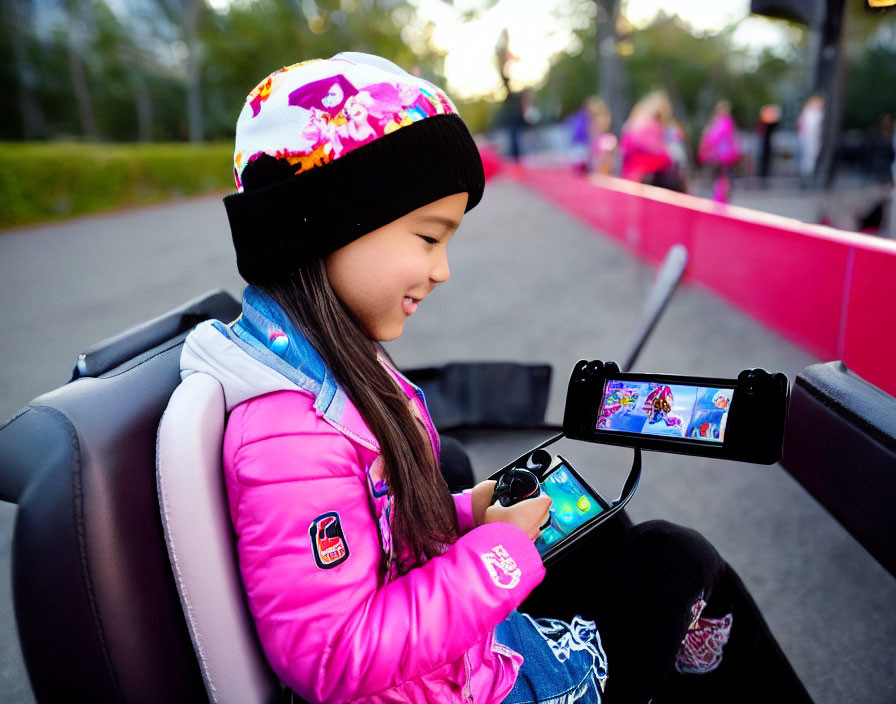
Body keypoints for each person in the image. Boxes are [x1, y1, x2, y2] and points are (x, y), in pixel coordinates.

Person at [178, 53, 812, 704]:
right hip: (476, 685)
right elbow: (338, 657)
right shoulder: (290, 433)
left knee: (617, 541)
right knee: (677, 562)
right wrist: (498, 551)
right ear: (329, 226)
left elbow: (382, 545)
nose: (442, 269)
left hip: (462, 665)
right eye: (428, 238)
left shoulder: (332, 379)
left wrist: (467, 515)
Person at [698, 101, 743, 202]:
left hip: (723, 156)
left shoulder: (723, 122)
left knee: (723, 177)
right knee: (720, 177)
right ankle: (719, 196)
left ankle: (720, 196)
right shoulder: (718, 122)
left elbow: (728, 138)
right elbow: (711, 138)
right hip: (718, 156)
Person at [797, 94, 824, 186]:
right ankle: (807, 178)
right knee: (808, 159)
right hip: (809, 139)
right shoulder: (812, 113)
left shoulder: (810, 113)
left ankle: (807, 177)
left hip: (809, 139)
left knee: (809, 158)